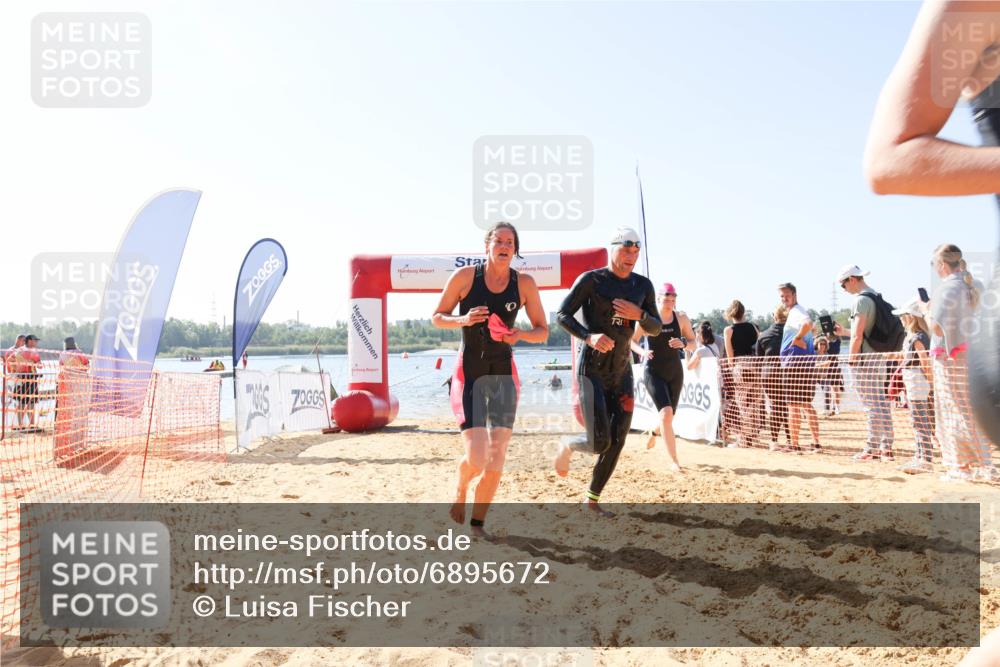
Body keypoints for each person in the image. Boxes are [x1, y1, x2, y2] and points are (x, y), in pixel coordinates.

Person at [432, 221, 548, 537]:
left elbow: (543, 330)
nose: (505, 245)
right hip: (468, 373)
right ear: (487, 245)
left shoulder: (524, 284)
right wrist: (464, 319)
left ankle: (478, 525)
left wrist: (520, 335)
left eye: (511, 242)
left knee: (496, 457)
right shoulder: (466, 277)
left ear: (515, 250)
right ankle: (460, 487)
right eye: (499, 240)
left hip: (503, 374)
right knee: (477, 457)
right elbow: (437, 316)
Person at [553, 227, 661, 517]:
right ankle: (568, 445)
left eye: (636, 252)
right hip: (592, 372)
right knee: (600, 441)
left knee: (619, 438)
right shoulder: (592, 280)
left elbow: (656, 326)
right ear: (613, 249)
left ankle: (592, 500)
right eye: (626, 250)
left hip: (622, 371)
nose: (631, 257)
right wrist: (589, 337)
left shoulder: (643, 286)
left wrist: (639, 315)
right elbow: (561, 315)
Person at [922, 244, 995, 482]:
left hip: (949, 357)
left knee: (951, 411)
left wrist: (924, 311)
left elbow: (936, 327)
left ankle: (962, 467)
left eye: (934, 265)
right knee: (970, 411)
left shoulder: (948, 288)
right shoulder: (975, 285)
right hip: (974, 354)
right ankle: (982, 463)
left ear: (942, 265)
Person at [630, 281, 696, 471]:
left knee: (668, 416)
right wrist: (642, 352)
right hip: (653, 371)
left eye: (673, 297)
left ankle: (654, 431)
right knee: (666, 414)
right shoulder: (648, 319)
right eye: (667, 297)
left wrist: (683, 343)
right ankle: (675, 462)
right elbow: (631, 341)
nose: (670, 301)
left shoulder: (681, 318)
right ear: (658, 298)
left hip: (675, 371)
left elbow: (693, 342)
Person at [834, 264, 895, 461]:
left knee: (870, 405)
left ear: (852, 279)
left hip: (864, 359)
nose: (844, 290)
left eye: (843, 286)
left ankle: (872, 448)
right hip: (878, 357)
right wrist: (844, 332)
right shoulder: (875, 296)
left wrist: (851, 360)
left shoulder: (860, 301)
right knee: (881, 402)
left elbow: (858, 336)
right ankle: (886, 446)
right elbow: (865, 332)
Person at [889, 301, 935, 474]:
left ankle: (925, 459)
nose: (901, 319)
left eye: (903, 315)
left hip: (918, 381)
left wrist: (931, 382)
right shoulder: (914, 336)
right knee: (917, 420)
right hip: (913, 381)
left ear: (911, 317)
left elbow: (924, 361)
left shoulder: (918, 336)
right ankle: (920, 455)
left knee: (920, 420)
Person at [778, 283, 819, 453]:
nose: (783, 299)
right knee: (805, 404)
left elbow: (808, 324)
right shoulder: (798, 311)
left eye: (786, 295)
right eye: (781, 297)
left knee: (793, 406)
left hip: (794, 365)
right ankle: (816, 443)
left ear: (794, 295)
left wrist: (798, 337)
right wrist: (803, 338)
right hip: (804, 364)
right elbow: (813, 328)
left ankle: (794, 444)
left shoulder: (797, 312)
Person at [722, 299, 759, 447]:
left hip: (740, 367)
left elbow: (730, 355)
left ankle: (744, 439)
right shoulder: (753, 327)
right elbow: (758, 345)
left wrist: (731, 368)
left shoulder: (728, 330)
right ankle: (752, 435)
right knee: (753, 402)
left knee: (742, 402)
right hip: (754, 366)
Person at [755, 305, 791, 450]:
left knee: (775, 406)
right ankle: (790, 440)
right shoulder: (792, 333)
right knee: (789, 405)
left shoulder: (764, 335)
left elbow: (758, 359)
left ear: (774, 317)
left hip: (768, 373)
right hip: (788, 371)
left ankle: (774, 440)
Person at [13, 334, 42, 431]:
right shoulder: (31, 351)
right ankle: (31, 425)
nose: (36, 342)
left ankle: (22, 425)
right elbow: (39, 365)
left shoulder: (19, 350)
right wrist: (33, 363)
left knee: (23, 402)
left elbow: (14, 363)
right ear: (29, 341)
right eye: (35, 340)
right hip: (29, 377)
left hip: (21, 378)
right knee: (29, 402)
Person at [813, 335, 844, 416]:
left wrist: (818, 365)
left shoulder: (827, 354)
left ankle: (827, 409)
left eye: (824, 344)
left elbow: (826, 365)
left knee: (827, 390)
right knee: (808, 391)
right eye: (821, 344)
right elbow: (813, 365)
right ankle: (806, 409)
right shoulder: (813, 354)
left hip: (823, 376)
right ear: (817, 344)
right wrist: (821, 364)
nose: (822, 345)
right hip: (813, 376)